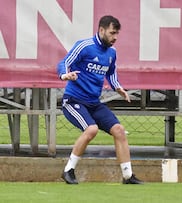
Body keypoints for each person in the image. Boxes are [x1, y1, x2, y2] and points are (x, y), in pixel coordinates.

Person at [57, 15, 143, 185]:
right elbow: (65, 61)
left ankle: (127, 176)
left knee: (119, 130)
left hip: (94, 103)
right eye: (112, 33)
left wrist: (118, 87)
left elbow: (111, 74)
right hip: (74, 101)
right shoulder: (85, 46)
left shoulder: (112, 52)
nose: (115, 38)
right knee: (91, 130)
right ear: (101, 30)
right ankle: (68, 171)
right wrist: (65, 75)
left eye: (117, 34)